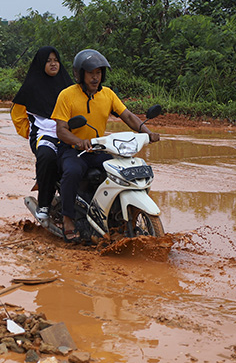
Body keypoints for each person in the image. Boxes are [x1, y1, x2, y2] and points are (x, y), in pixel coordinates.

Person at [51, 49, 160, 242]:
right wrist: (79, 141)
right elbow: (61, 130)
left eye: (99, 73)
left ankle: (114, 213)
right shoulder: (66, 95)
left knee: (123, 170)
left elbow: (127, 116)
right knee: (72, 172)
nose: (95, 77)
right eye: (91, 72)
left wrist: (147, 132)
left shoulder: (108, 94)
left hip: (98, 148)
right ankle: (68, 218)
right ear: (80, 73)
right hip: (73, 150)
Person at [10, 46, 72, 222]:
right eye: (48, 61)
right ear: (41, 63)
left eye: (56, 60)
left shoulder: (69, 86)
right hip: (44, 135)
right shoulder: (31, 86)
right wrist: (30, 131)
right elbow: (17, 114)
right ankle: (44, 204)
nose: (53, 64)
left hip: (68, 133)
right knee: (47, 157)